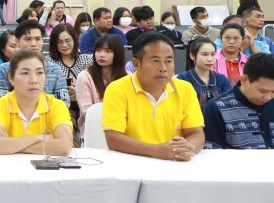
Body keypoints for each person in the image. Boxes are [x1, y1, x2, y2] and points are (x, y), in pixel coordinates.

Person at [102, 32, 205, 161]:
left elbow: (197, 134)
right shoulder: (117, 89)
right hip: (131, 161)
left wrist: (184, 149)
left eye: (168, 61)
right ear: (136, 64)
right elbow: (113, 139)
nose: (163, 68)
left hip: (173, 162)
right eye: (155, 61)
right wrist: (157, 151)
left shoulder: (185, 89)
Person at [0, 50, 74, 156]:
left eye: (39, 72)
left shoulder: (57, 105)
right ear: (11, 78)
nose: (34, 80)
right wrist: (38, 138)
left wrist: (11, 143)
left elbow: (64, 147)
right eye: (25, 73)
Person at [204, 54, 274, 149]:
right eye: (263, 91)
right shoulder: (215, 108)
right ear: (244, 80)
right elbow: (211, 151)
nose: (268, 97)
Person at [0, 21, 69, 103]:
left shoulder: (55, 70)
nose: (33, 44)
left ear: (42, 41)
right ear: (17, 42)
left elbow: (64, 102)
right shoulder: (5, 69)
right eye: (28, 39)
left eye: (37, 39)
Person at [48, 23, 93, 142]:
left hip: (87, 105)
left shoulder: (86, 60)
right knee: (67, 127)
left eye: (68, 41)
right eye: (59, 42)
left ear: (74, 40)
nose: (64, 45)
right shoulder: (49, 63)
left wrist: (80, 89)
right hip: (63, 107)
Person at [75, 34, 126, 136]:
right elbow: (87, 111)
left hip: (123, 129)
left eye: (108, 51)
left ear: (118, 53)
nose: (101, 55)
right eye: (98, 50)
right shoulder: (85, 77)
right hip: (94, 131)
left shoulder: (128, 77)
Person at [175, 37, 231, 108]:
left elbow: (229, 103)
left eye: (213, 54)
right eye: (205, 54)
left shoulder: (221, 79)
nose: (210, 59)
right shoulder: (183, 79)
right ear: (192, 55)